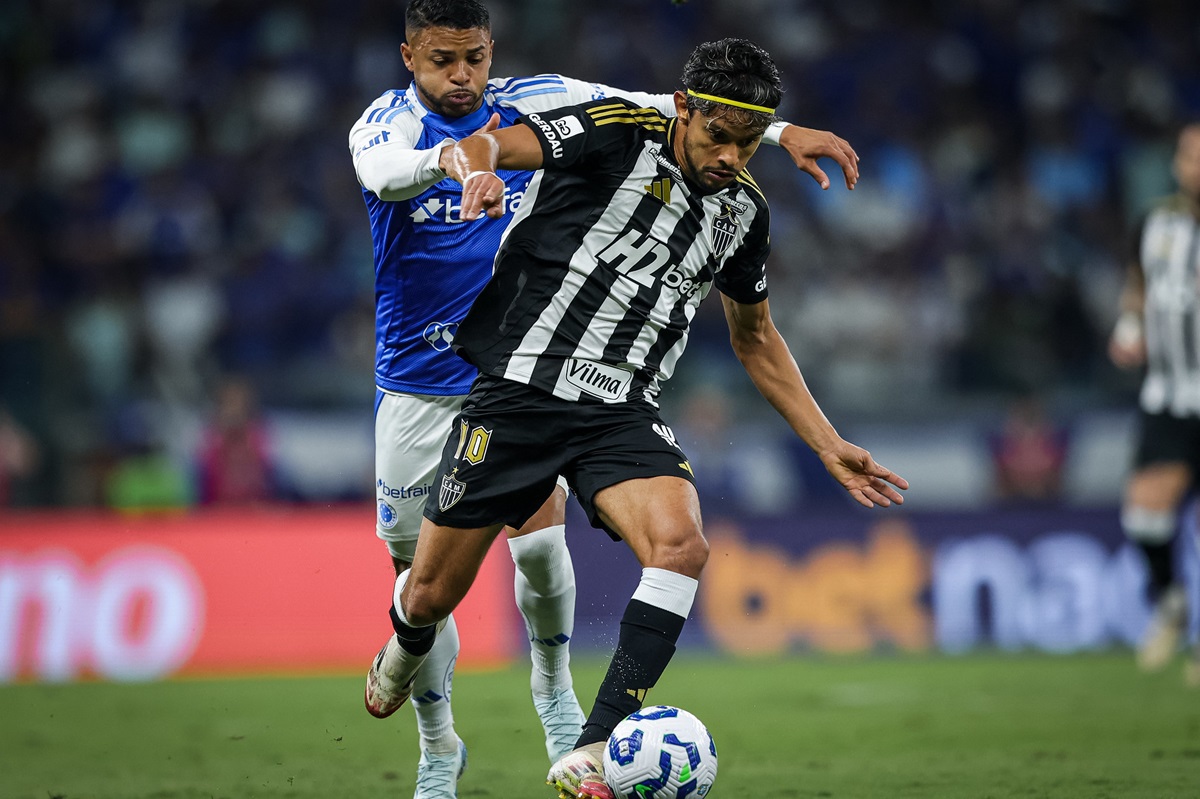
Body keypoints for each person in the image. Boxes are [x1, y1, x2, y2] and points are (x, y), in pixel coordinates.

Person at [364, 36, 909, 799]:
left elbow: (755, 339)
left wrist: (828, 443)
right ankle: (404, 640)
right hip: (519, 391)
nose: (730, 155)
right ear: (683, 110)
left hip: (620, 410)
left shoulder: (744, 213)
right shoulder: (612, 131)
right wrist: (480, 168)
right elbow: (491, 138)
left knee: (682, 545)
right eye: (718, 136)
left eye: (749, 142)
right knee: (427, 595)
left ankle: (592, 746)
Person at [1108, 120, 1200, 683]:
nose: (1195, 166)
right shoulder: (1156, 222)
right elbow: (1138, 284)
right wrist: (1127, 324)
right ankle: (1170, 602)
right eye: (1189, 156)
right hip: (1168, 396)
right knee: (1143, 509)